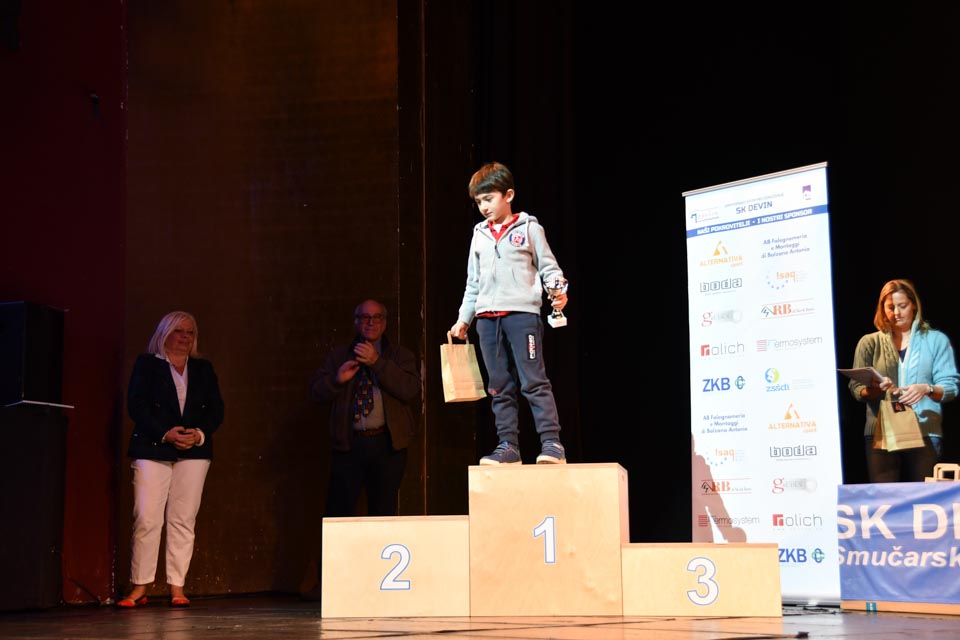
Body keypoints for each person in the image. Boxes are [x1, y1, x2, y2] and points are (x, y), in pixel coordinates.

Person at [449, 161, 569, 465]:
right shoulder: (479, 235)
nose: (484, 207)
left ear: (509, 195)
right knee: (499, 385)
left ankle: (552, 443)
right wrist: (464, 319)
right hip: (487, 321)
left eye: (489, 199)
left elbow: (549, 268)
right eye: (479, 201)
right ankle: (508, 446)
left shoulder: (529, 229)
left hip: (522, 316)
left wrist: (558, 291)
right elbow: (473, 283)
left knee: (533, 381)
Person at [303, 299, 421, 600]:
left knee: (382, 513)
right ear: (355, 322)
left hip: (387, 445)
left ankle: (379, 583)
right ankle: (330, 585)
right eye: (364, 317)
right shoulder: (339, 356)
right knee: (338, 517)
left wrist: (377, 363)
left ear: (385, 322)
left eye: (377, 317)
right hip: (350, 444)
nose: (370, 322)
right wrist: (336, 380)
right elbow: (316, 392)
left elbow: (410, 390)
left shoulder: (399, 355)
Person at [117, 311, 225, 608]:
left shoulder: (202, 368)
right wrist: (165, 433)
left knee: (183, 519)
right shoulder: (147, 364)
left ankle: (177, 586)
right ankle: (140, 586)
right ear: (164, 333)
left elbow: (216, 409)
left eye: (190, 332)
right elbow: (137, 406)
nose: (185, 337)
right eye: (179, 331)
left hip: (194, 450)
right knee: (147, 517)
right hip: (153, 447)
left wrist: (198, 434)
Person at [848, 279, 959, 482]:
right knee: (885, 498)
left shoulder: (936, 340)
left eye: (902, 306)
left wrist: (927, 388)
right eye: (890, 307)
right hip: (881, 433)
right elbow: (856, 389)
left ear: (914, 305)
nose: (896, 313)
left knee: (923, 498)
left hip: (924, 431)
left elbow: (950, 387)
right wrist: (875, 389)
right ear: (882, 309)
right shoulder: (869, 342)